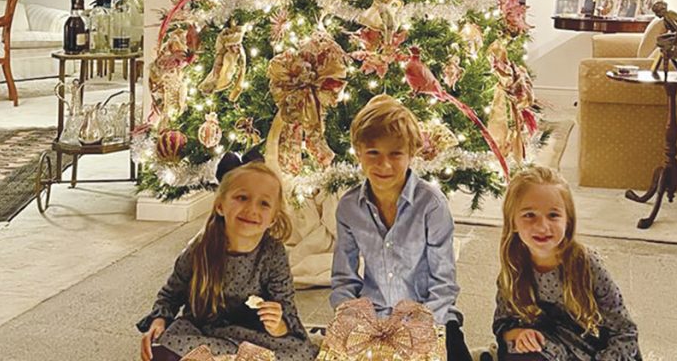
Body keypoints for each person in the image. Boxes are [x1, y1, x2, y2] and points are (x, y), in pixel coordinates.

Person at [137, 151, 317, 361]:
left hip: (255, 336)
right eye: (242, 198)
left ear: (273, 219)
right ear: (220, 205)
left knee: (302, 352)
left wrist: (278, 325)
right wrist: (159, 320)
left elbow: (286, 309)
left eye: (264, 203)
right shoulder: (199, 249)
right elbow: (171, 295)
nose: (251, 209)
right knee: (161, 348)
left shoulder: (274, 254)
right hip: (205, 331)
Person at [330, 94, 471, 360]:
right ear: (358, 152)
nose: (384, 164)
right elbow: (344, 280)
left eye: (395, 154)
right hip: (372, 319)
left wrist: (419, 329)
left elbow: (443, 283)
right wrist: (353, 321)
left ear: (411, 154)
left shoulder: (431, 205)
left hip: (428, 317)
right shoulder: (348, 207)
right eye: (373, 153)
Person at [492, 167, 641, 361]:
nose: (542, 226)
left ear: (568, 221)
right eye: (529, 215)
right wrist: (520, 334)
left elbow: (625, 331)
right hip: (548, 350)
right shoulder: (514, 267)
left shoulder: (587, 265)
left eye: (553, 215)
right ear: (512, 221)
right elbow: (503, 325)